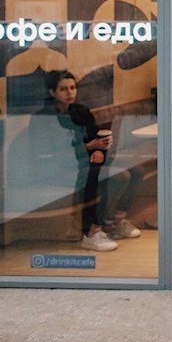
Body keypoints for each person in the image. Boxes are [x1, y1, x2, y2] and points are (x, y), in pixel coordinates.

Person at [28, 70, 117, 252]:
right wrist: (88, 147)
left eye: (72, 87)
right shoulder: (43, 117)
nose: (70, 93)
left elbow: (94, 137)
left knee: (120, 172)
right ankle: (90, 231)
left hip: (80, 162)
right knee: (91, 173)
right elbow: (47, 152)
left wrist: (99, 150)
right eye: (63, 89)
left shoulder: (81, 111)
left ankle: (108, 223)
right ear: (52, 92)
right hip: (53, 167)